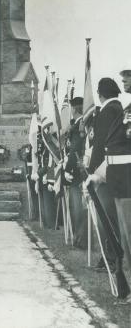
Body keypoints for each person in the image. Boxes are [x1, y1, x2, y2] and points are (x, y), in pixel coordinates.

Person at [87, 69, 131, 302]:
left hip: (122, 179)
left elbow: (106, 147)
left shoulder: (112, 111)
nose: (124, 81)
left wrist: (95, 171)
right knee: (121, 231)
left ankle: (115, 264)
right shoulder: (123, 110)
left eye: (128, 77)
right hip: (115, 176)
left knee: (116, 227)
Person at [87, 78, 122, 271]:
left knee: (105, 218)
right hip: (115, 171)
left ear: (100, 94)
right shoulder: (118, 109)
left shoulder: (107, 111)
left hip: (105, 171)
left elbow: (100, 145)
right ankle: (110, 256)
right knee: (111, 217)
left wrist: (93, 171)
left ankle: (110, 258)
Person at [64, 97, 87, 248]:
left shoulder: (80, 125)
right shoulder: (79, 124)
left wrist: (67, 169)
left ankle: (81, 240)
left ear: (74, 109)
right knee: (79, 206)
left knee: (78, 206)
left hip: (77, 170)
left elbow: (75, 150)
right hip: (79, 168)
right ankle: (80, 238)